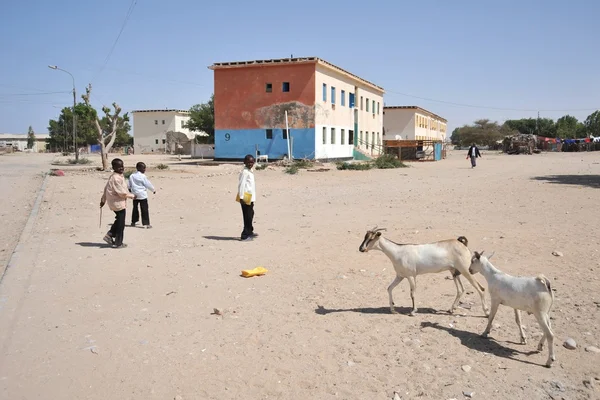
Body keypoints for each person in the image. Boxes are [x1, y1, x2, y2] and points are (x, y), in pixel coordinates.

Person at [100, 158, 135, 248]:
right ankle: (118, 243)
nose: (121, 168)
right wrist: (132, 196)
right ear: (114, 167)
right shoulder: (115, 178)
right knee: (120, 224)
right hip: (117, 203)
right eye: (118, 167)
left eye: (122, 166)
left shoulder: (118, 176)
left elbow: (106, 188)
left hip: (118, 202)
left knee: (119, 220)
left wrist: (103, 200)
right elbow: (121, 192)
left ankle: (110, 235)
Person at [128, 162, 156, 229]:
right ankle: (146, 223)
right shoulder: (143, 176)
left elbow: (129, 185)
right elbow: (148, 184)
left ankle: (133, 222)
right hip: (142, 195)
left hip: (135, 195)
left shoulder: (132, 176)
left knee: (135, 208)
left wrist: (130, 191)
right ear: (139, 168)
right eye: (144, 168)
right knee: (144, 209)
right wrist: (153, 190)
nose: (145, 169)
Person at [237, 154, 257, 241]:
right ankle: (245, 235)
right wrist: (241, 197)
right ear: (244, 162)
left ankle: (250, 231)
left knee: (251, 213)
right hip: (245, 196)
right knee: (247, 216)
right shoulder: (244, 172)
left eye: (252, 162)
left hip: (250, 196)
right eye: (248, 162)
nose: (250, 164)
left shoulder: (250, 171)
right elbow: (241, 185)